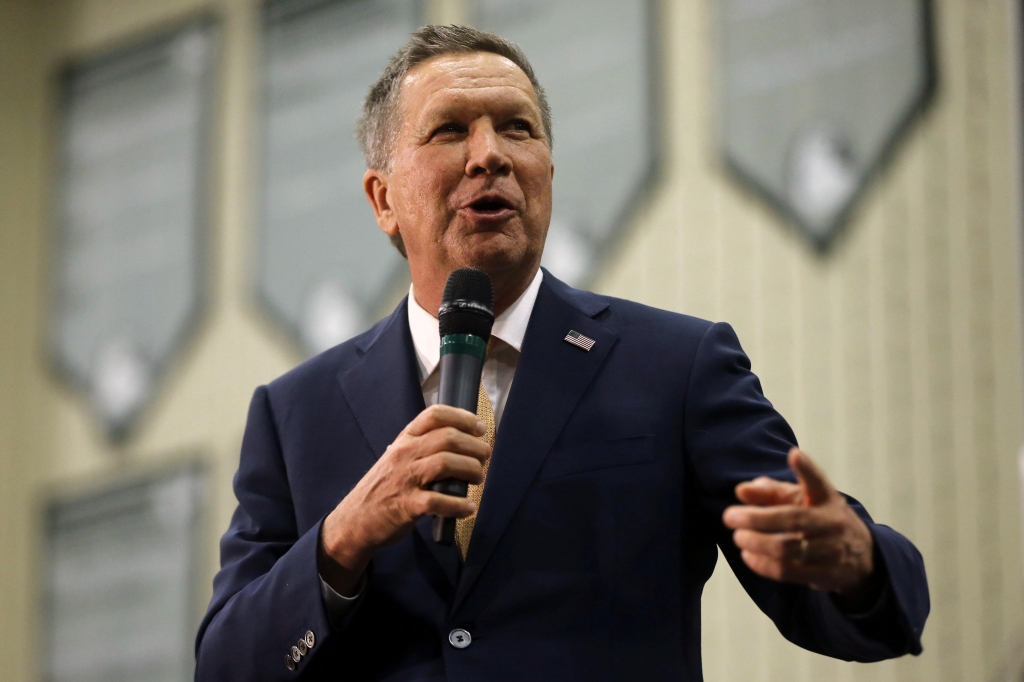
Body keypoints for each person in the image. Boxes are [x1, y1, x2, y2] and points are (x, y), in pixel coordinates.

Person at [195, 25, 928, 680]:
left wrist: (858, 564)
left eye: (518, 129)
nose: (491, 156)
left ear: (548, 169)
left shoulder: (675, 366)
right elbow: (227, 665)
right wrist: (348, 532)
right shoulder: (294, 415)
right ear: (382, 199)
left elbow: (838, 589)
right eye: (450, 130)